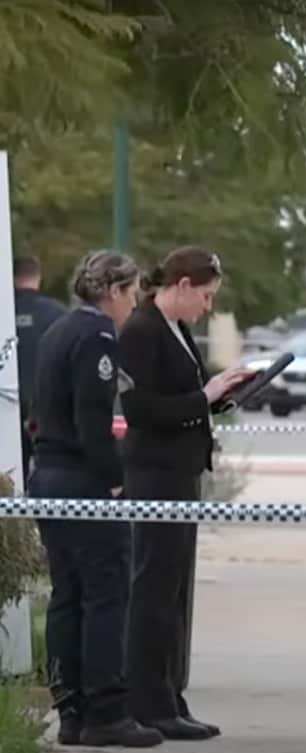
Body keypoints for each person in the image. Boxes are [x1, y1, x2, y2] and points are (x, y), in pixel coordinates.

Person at [29, 250, 163, 748]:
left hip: (49, 477)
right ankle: (107, 711)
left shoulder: (58, 330)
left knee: (68, 597)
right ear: (113, 291)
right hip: (81, 481)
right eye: (131, 292)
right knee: (106, 595)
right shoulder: (97, 335)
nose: (133, 303)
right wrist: (113, 481)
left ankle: (71, 712)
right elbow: (92, 418)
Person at [118, 245, 252, 740]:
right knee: (153, 587)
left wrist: (218, 396)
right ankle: (148, 700)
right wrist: (204, 395)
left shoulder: (176, 331)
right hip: (155, 474)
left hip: (180, 471)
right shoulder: (141, 330)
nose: (208, 307)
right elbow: (143, 410)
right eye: (207, 296)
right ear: (181, 286)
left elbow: (183, 401)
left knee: (174, 589)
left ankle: (170, 693)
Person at [14, 254, 68, 478]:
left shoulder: (6, 310)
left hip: (7, 407)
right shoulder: (58, 314)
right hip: (47, 408)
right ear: (38, 277)